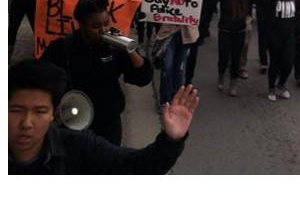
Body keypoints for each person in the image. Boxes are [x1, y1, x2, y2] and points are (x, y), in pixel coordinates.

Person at [8, 59, 198, 174]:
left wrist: (171, 140)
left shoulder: (78, 147)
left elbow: (135, 166)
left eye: (39, 111)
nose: (26, 123)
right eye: (16, 110)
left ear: (54, 114)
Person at [41, 0, 153, 145]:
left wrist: (129, 51)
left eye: (106, 23)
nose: (103, 30)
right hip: (73, 122)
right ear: (81, 25)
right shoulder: (62, 48)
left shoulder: (114, 47)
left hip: (108, 124)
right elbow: (41, 79)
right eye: (95, 26)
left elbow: (142, 78)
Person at [155, 0, 228, 107]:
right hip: (169, 35)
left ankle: (176, 99)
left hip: (186, 36)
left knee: (180, 69)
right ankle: (165, 100)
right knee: (168, 67)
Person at [258, 0, 299, 101]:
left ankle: (281, 84)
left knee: (288, 62)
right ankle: (271, 88)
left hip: (289, 36)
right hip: (274, 35)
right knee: (275, 62)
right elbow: (260, 2)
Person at [215, 0, 251, 96]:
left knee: (236, 58)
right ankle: (221, 75)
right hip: (225, 30)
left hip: (239, 30)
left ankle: (233, 83)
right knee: (223, 57)